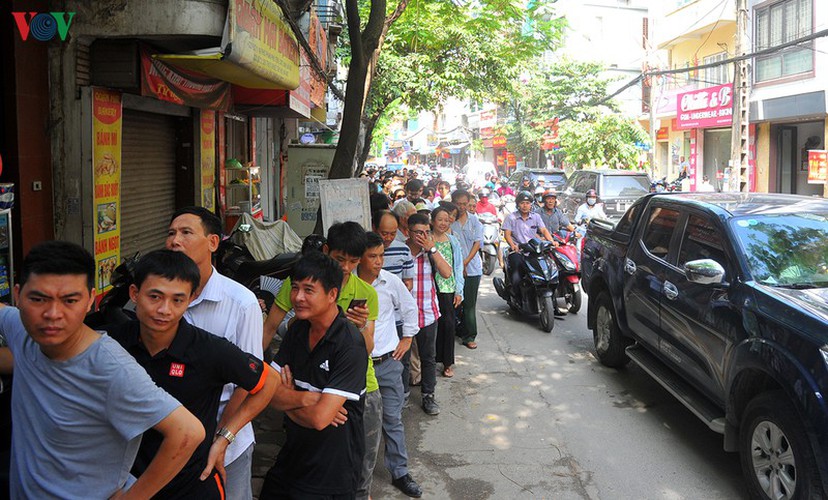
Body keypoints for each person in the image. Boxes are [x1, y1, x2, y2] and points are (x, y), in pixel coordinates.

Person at [0, 241, 203, 498]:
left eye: (69, 300)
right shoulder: (22, 333)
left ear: (89, 301)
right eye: (39, 299)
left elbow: (187, 432)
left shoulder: (111, 369)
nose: (52, 314)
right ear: (18, 295)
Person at [108, 250, 277, 499]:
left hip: (192, 485)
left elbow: (268, 381)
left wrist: (224, 438)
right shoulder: (112, 344)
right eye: (155, 296)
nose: (164, 309)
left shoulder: (207, 349)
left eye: (177, 300)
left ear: (191, 298)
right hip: (127, 483)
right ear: (135, 294)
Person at [166, 207, 263, 499]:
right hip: (172, 439)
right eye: (170, 233)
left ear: (212, 243)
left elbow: (250, 385)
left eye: (186, 233)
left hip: (226, 440)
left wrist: (219, 438)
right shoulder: (159, 301)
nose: (174, 241)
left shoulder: (241, 303)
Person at [260, 252, 368, 498]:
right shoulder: (297, 330)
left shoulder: (349, 344)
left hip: (331, 473)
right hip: (292, 459)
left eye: (309, 290)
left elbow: (320, 419)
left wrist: (287, 397)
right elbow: (268, 392)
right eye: (295, 288)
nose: (298, 297)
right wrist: (306, 398)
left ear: (332, 295)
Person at [357, 233, 423, 498]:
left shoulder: (391, 281)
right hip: (358, 367)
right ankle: (358, 478)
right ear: (359, 258)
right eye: (372, 256)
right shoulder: (348, 285)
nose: (378, 261)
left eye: (381, 255)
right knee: (358, 424)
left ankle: (399, 472)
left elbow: (409, 309)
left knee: (392, 420)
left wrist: (407, 338)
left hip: (387, 362)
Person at [406, 213, 452, 415]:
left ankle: (428, 396)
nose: (422, 236)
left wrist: (431, 249)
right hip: (405, 315)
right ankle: (402, 396)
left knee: (428, 357)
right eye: (418, 232)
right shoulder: (401, 250)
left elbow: (447, 273)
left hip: (428, 312)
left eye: (426, 232)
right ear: (408, 232)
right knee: (402, 358)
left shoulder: (432, 251)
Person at [430, 206, 464, 379]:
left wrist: (459, 290)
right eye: (439, 219)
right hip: (430, 288)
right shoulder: (426, 240)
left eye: (446, 219)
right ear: (432, 221)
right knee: (431, 326)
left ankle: (448, 363)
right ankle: (431, 361)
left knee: (449, 325)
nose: (443, 223)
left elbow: (458, 266)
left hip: (448, 288)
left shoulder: (453, 241)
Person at [502, 192, 555, 299]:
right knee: (516, 268)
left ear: (531, 204)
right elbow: (507, 234)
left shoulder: (536, 217)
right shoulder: (511, 217)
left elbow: (543, 230)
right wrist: (513, 245)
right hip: (518, 251)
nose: (525, 206)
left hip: (534, 250)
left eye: (527, 203)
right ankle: (515, 293)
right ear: (518, 204)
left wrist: (551, 241)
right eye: (522, 203)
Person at [450, 190, 484, 350]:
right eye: (459, 203)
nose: (462, 207)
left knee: (469, 304)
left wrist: (464, 263)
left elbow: (477, 244)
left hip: (472, 269)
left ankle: (469, 335)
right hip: (450, 269)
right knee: (454, 303)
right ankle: (455, 331)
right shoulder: (448, 221)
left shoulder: (475, 221)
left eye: (465, 204)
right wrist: (458, 266)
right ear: (453, 202)